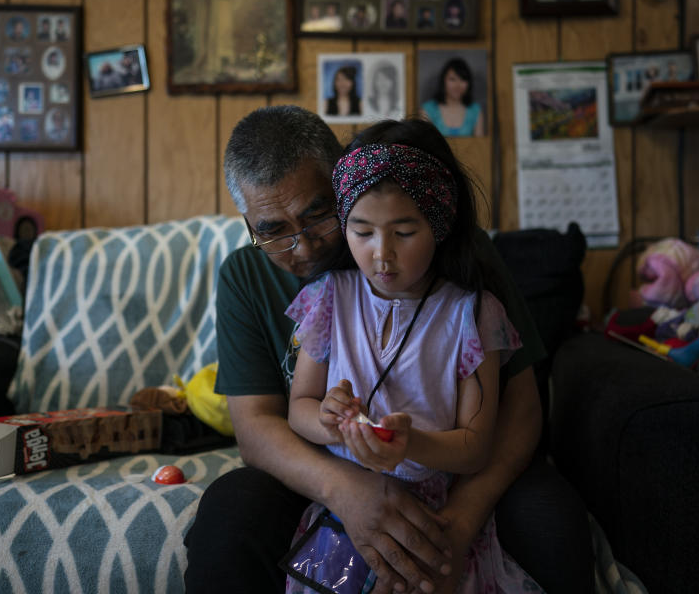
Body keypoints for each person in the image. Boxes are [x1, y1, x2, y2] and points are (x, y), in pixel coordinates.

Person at [182, 105, 594, 594]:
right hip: (327, 472)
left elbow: (522, 408)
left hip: (455, 473)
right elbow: (257, 428)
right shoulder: (252, 278)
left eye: (318, 215)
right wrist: (348, 491)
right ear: (249, 223)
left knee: (551, 521)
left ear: (344, 183)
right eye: (273, 230)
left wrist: (455, 526)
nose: (305, 247)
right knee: (230, 515)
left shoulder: (454, 259)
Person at [281, 122, 546, 593]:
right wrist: (328, 420)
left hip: (431, 511)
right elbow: (299, 406)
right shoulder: (328, 300)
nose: (381, 254)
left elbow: (475, 448)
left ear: (439, 226)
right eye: (361, 231)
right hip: (344, 505)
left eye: (404, 231)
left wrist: (411, 446)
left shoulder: (473, 316)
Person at [421, 57, 484, 138]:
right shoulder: (428, 110)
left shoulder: (475, 110)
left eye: (463, 79)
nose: (457, 85)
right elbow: (423, 144)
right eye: (452, 79)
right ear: (443, 81)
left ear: (469, 83)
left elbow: (481, 147)